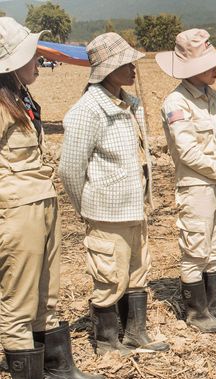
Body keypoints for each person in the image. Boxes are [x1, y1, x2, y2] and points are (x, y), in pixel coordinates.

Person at [0, 17, 105, 379]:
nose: (38, 59)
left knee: (49, 292)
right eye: (30, 54)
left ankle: (58, 368)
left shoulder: (19, 95)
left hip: (41, 201)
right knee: (19, 300)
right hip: (15, 209)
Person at [60, 33, 169, 355]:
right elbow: (69, 170)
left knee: (137, 271)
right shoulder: (88, 110)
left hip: (133, 208)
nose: (134, 68)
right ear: (107, 70)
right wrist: (87, 207)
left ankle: (135, 333)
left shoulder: (127, 104)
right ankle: (107, 341)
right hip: (106, 210)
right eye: (126, 63)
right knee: (109, 277)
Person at [156, 29, 216, 333]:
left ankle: (215, 306)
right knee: (195, 250)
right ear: (193, 69)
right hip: (196, 187)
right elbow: (188, 152)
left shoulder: (213, 98)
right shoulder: (176, 103)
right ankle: (197, 312)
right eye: (210, 64)